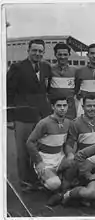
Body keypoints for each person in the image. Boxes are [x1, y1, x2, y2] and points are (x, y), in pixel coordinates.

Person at [7, 39, 52, 190]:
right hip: (23, 115)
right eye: (34, 50)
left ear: (43, 52)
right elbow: (9, 93)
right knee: (23, 150)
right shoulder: (17, 67)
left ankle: (38, 179)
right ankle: (25, 182)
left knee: (39, 149)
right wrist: (9, 118)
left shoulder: (46, 67)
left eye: (40, 51)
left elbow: (46, 89)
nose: (37, 53)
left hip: (42, 115)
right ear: (28, 50)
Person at [26, 96, 74, 195]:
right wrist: (39, 162)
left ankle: (62, 185)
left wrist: (69, 153)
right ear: (53, 107)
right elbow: (30, 142)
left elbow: (69, 140)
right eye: (59, 105)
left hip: (59, 157)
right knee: (54, 184)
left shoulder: (68, 123)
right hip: (45, 159)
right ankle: (44, 182)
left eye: (64, 105)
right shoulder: (44, 123)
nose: (62, 108)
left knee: (76, 163)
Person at [65, 95, 95, 171]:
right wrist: (70, 154)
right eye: (89, 106)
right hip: (84, 156)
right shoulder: (75, 123)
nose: (92, 109)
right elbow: (70, 144)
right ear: (83, 107)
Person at [48, 42, 77, 119]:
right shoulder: (49, 70)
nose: (62, 57)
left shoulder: (75, 71)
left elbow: (76, 88)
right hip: (53, 110)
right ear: (55, 55)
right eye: (60, 54)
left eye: (65, 54)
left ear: (69, 55)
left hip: (70, 110)